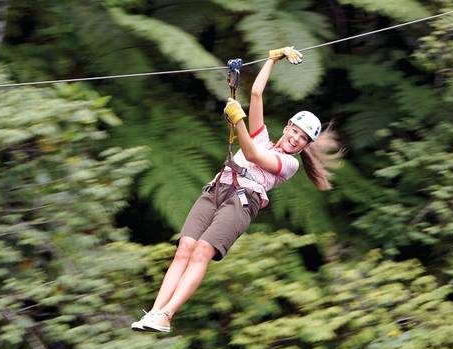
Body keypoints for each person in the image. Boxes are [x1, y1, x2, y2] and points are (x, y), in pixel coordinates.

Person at [132, 46, 339, 333]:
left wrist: (238, 120)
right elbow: (256, 94)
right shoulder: (263, 135)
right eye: (295, 131)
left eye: (302, 139)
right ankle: (154, 311)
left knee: (202, 250)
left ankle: (167, 315)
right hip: (217, 189)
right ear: (288, 126)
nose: (295, 139)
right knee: (185, 248)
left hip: (242, 202)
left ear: (305, 146)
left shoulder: (288, 164)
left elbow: (252, 155)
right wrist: (271, 60)